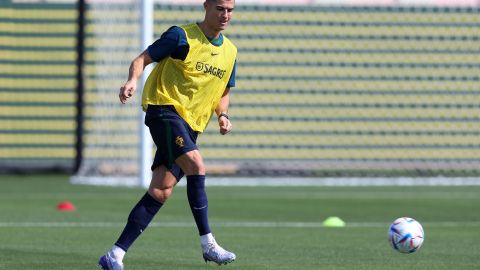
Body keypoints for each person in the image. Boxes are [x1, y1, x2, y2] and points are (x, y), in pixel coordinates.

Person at [98, 0, 237, 269]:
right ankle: (208, 243)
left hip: (191, 126)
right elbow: (142, 59)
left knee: (161, 191)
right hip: (164, 110)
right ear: (206, 6)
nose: (225, 14)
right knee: (197, 164)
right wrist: (132, 81)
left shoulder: (230, 51)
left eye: (230, 9)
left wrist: (223, 115)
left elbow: (224, 93)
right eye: (220, 8)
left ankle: (114, 255)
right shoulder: (181, 36)